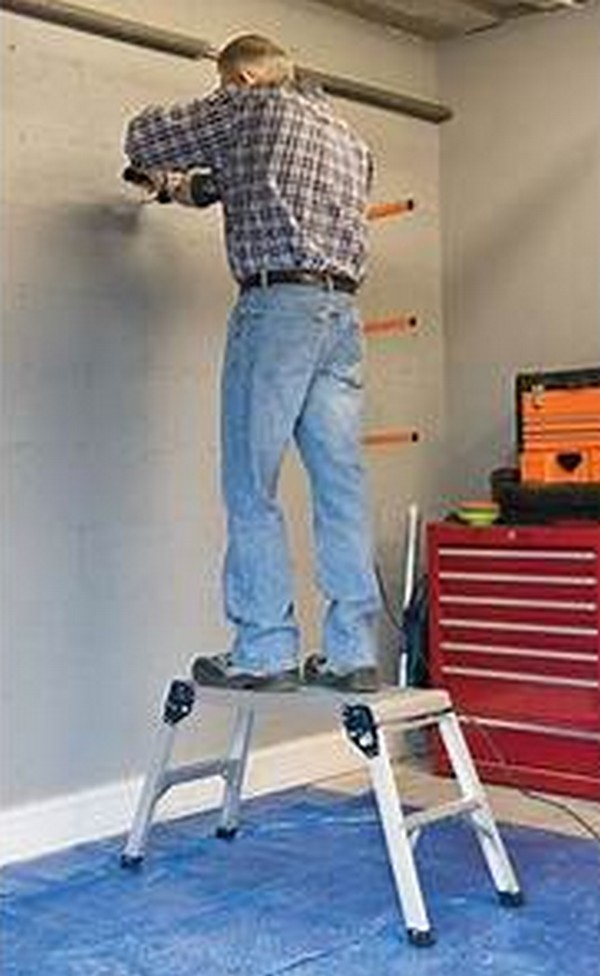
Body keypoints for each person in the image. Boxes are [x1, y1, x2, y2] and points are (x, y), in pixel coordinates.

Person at [124, 34, 381, 693]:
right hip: (340, 317)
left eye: (224, 86)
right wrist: (179, 191)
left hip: (277, 313)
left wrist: (159, 166)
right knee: (341, 487)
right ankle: (352, 653)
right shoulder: (350, 143)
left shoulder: (249, 106)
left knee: (250, 484)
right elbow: (242, 184)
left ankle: (264, 650)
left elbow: (144, 138)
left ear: (241, 79)